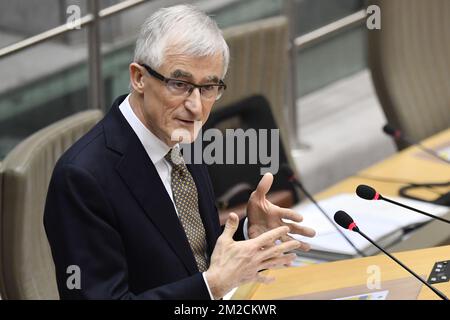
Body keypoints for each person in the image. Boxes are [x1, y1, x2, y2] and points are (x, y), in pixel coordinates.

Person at [43, 4, 315, 300]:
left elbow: (186, 254)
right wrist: (210, 288)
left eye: (209, 87)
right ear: (138, 78)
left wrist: (248, 232)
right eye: (180, 84)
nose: (196, 106)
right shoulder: (81, 178)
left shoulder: (181, 135)